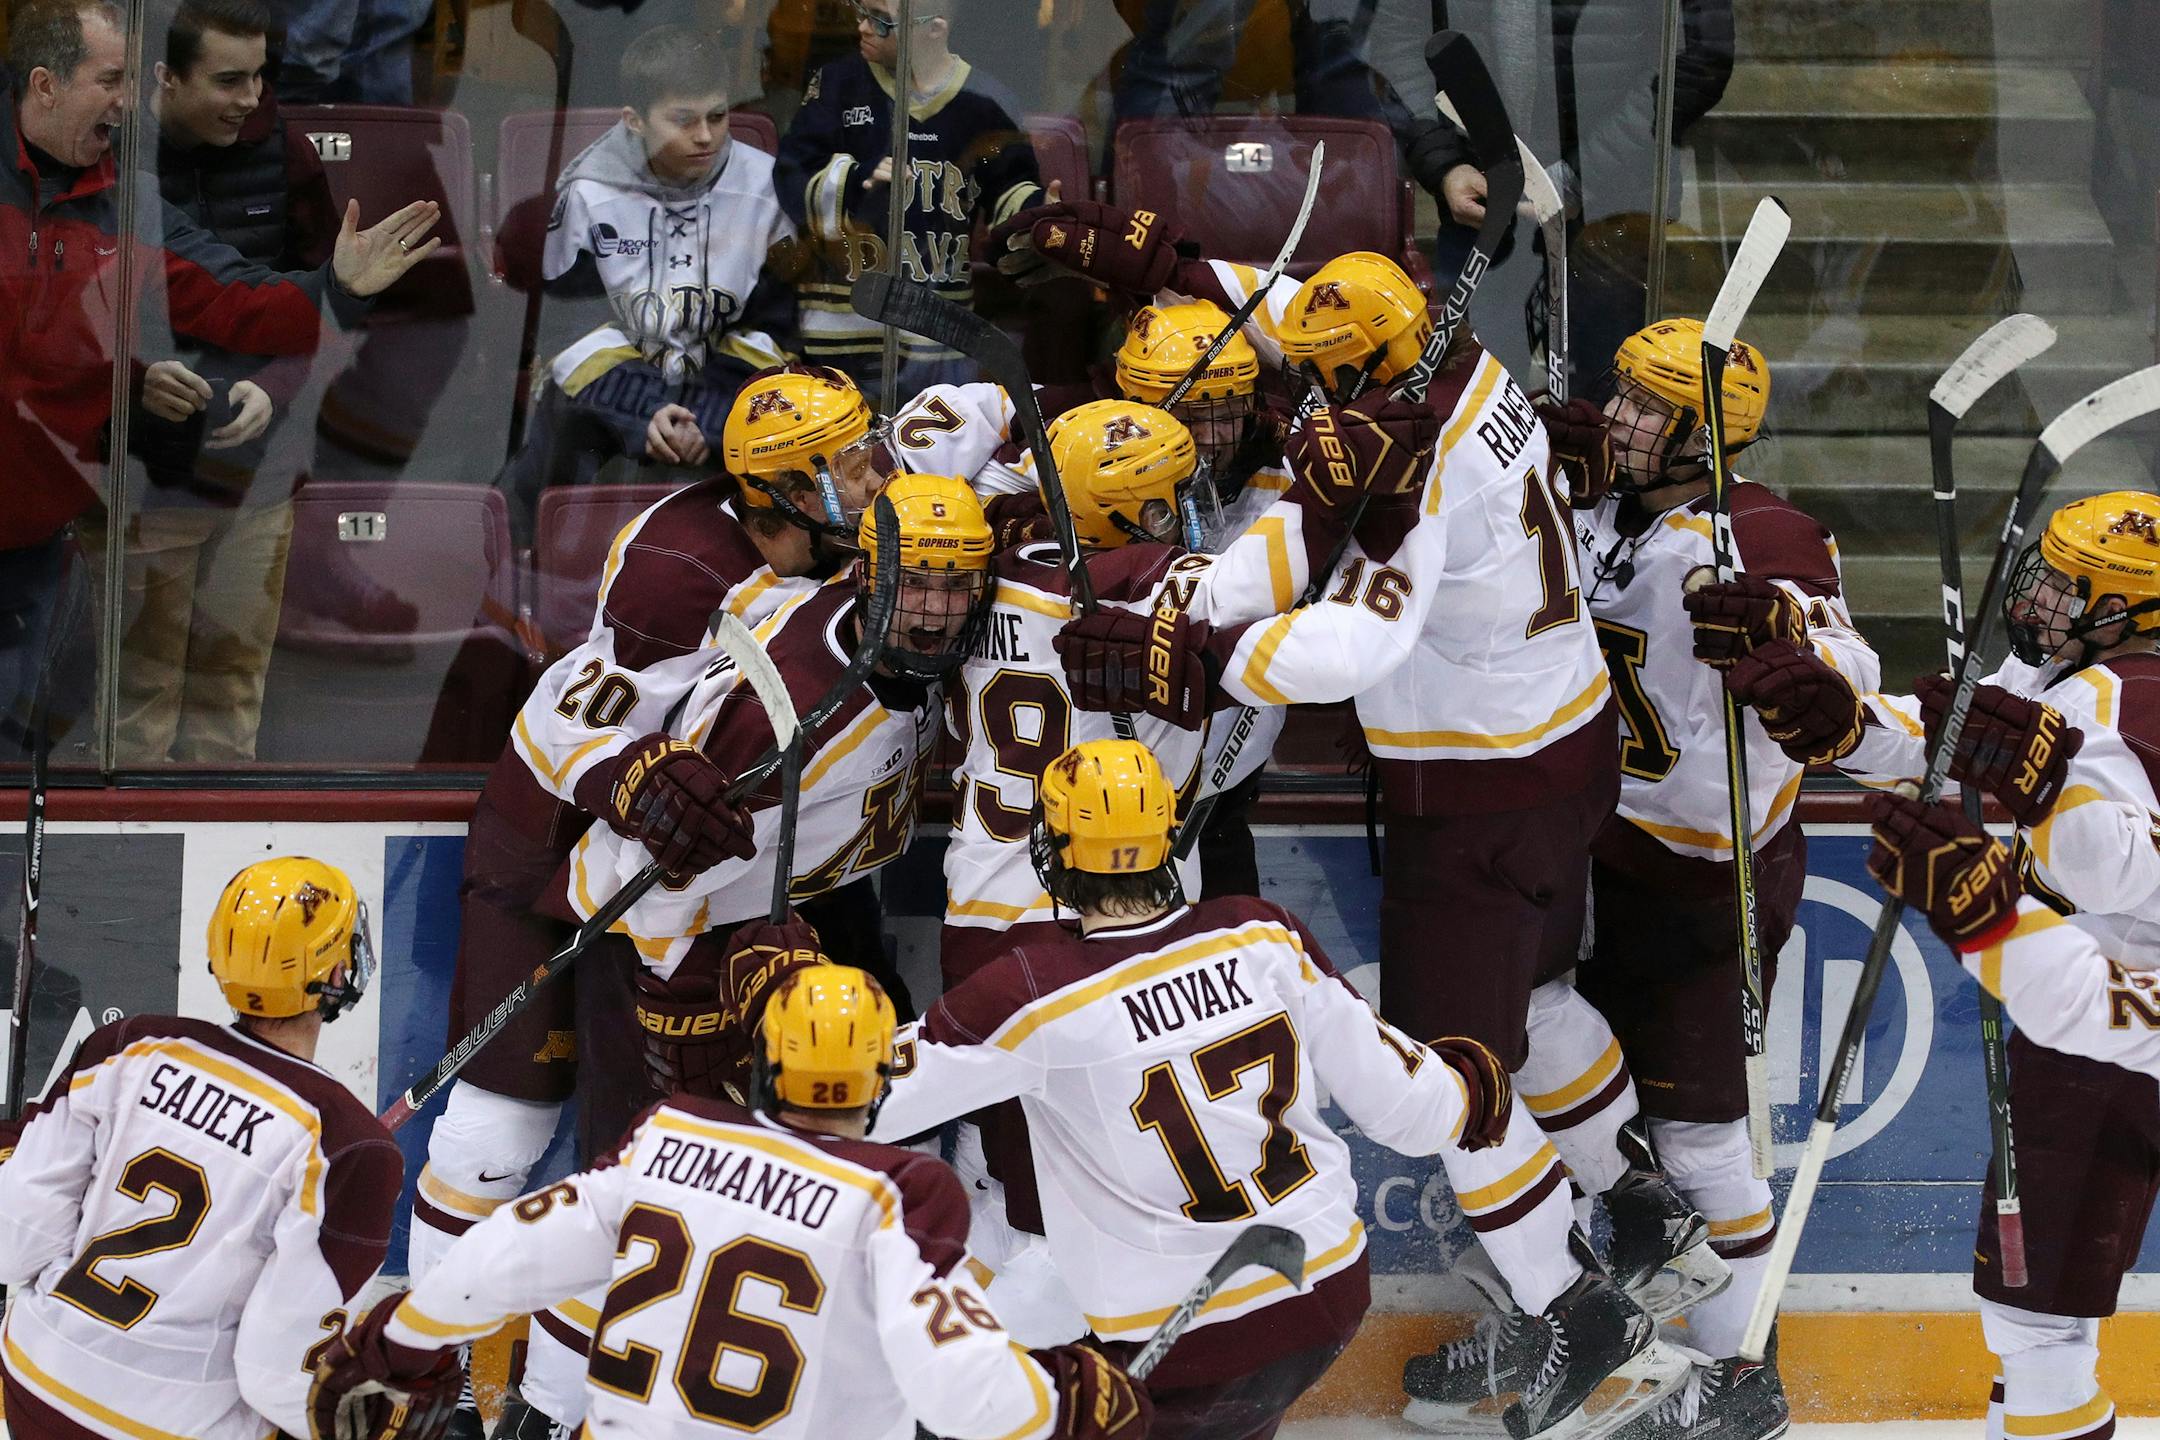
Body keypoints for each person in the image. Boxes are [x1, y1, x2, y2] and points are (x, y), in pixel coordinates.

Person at [863, 737, 1687, 1440]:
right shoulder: (1261, 933)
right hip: (1323, 1295)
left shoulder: (1031, 990)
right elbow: (1410, 1110)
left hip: (1179, 1344)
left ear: (1049, 850)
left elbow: (859, 1098)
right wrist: (1470, 1087)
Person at [407, 364, 887, 1431]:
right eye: (848, 463)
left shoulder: (860, 534)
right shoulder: (682, 568)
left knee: (628, 1170)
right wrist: (626, 776)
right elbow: (559, 728)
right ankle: (428, 1383)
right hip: (558, 846)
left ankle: (546, 1410)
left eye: (871, 449)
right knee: (493, 1136)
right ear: (785, 494)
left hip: (686, 885)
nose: (876, 477)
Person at [506, 473, 994, 1437]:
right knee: (661, 1203)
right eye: (919, 584)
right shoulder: (789, 724)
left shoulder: (855, 624)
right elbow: (634, 874)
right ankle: (545, 1413)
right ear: (868, 574)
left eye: (956, 585)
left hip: (791, 920)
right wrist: (680, 1004)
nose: (937, 611)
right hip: (683, 943)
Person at [1459, 317, 1876, 1438]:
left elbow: (1847, 664)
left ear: (1708, 442)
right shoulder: (1602, 504)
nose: (1621, 420)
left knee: (1699, 1137)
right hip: (1587, 840)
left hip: (1702, 871)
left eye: (1651, 409)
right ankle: (1591, 1317)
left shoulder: (1763, 531)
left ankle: (1741, 1375)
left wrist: (1784, 636)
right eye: (1624, 397)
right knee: (1519, 1057)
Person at [306, 963, 1150, 1440]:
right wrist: (1062, 1402)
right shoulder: (899, 1192)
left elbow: (508, 1256)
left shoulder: (670, 1133)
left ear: (764, 1062)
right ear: (881, 1075)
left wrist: (399, 1337)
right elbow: (958, 1383)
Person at [1786, 489, 2160, 1440]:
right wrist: (1847, 726)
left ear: (2122, 611)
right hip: (2091, 1013)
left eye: (2064, 590)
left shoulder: (2139, 701)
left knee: (2035, 1319)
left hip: (2119, 1022)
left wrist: (2036, 791)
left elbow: (2123, 871)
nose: (2036, 601)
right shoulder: (2068, 678)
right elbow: (1953, 737)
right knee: (2030, 1309)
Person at [0, 0, 440, 758]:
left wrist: (337, 288)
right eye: (111, 79)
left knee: (18, 756)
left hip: (36, 541)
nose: (127, 98)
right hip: (92, 503)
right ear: (45, 85)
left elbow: (237, 301)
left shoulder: (125, 202)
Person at [0, 858, 405, 1440]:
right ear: (337, 972)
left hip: (37, 1384)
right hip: (177, 1426)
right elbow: (276, 1374)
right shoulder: (348, 1146)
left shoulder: (128, 1045)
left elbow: (15, 1245)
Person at [77, 0, 342, 765]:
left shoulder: (286, 154)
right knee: (136, 717)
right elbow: (62, 313)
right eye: (229, 80)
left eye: (261, 77)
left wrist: (281, 380)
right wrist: (128, 382)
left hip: (255, 483)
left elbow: (334, 300)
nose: (251, 99)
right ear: (165, 75)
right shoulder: (102, 156)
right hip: (139, 479)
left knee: (231, 707)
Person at [498, 25, 799, 541]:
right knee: (553, 439)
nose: (706, 135)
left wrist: (708, 415)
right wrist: (648, 409)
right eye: (684, 120)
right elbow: (568, 330)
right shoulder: (588, 192)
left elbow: (777, 327)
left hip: (732, 399)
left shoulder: (767, 188)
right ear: (634, 121)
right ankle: (531, 571)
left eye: (718, 116)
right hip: (608, 401)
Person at [773, 0, 1042, 397]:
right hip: (835, 338)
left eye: (880, 21)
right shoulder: (837, 85)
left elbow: (1011, 191)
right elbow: (792, 174)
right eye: (859, 12)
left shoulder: (986, 103)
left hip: (938, 342)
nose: (863, 28)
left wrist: (1040, 218)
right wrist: (853, 181)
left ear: (934, 29)